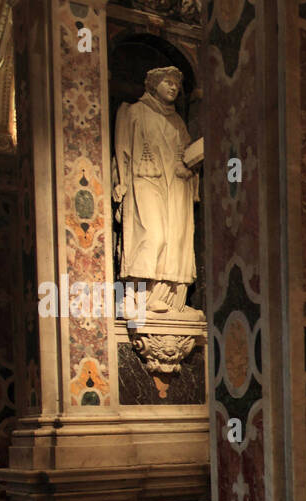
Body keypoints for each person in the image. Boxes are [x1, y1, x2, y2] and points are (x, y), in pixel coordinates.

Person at [113, 65, 200, 315]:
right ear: (153, 85)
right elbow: (122, 147)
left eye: (176, 84)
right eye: (167, 82)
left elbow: (184, 154)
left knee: (176, 240)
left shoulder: (177, 122)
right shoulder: (134, 112)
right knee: (152, 235)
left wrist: (191, 165)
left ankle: (171, 299)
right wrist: (120, 180)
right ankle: (133, 297)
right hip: (145, 181)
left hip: (175, 187)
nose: (173, 87)